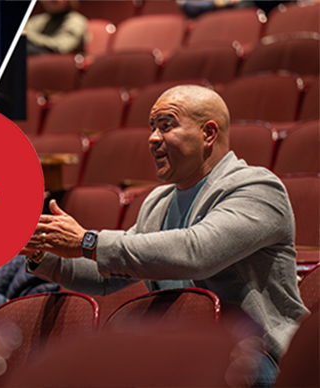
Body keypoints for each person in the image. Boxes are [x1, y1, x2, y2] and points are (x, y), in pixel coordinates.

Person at [23, 85, 308, 387]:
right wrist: (42, 248)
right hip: (181, 352)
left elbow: (197, 253)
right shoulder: (158, 203)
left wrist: (87, 242)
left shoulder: (257, 188)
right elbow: (106, 275)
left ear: (208, 134)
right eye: (152, 128)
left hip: (258, 355)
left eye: (166, 126)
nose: (153, 139)